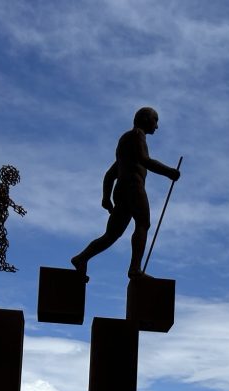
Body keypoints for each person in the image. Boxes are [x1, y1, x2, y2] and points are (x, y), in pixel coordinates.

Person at [70, 107, 181, 281]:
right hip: (133, 188)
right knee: (143, 223)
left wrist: (106, 197)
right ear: (145, 119)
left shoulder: (126, 143)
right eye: (155, 120)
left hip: (121, 190)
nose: (157, 126)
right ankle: (135, 269)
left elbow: (110, 174)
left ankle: (81, 258)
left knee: (111, 235)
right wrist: (169, 172)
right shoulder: (137, 135)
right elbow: (145, 161)